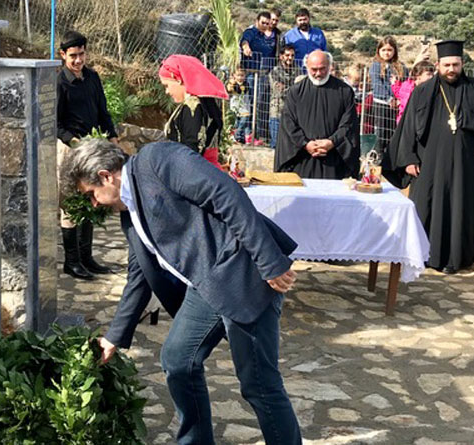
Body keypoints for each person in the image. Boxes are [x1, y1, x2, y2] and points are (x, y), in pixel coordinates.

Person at [62, 138, 302, 445]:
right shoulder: (130, 214)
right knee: (177, 361)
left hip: (244, 273)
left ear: (106, 176)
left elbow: (226, 193)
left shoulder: (158, 159)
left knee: (259, 384)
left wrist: (268, 261)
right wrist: (113, 337)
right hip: (207, 285)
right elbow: (139, 276)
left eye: (91, 194)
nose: (95, 204)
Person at [383, 40, 474, 274]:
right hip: (429, 163)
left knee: (460, 209)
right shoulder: (423, 91)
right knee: (428, 206)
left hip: (465, 164)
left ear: (462, 64)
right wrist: (408, 158)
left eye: (456, 65)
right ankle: (423, 254)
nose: (451, 69)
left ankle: (456, 259)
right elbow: (408, 126)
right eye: (447, 65)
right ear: (438, 65)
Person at [56, 30, 116, 280]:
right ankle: (72, 262)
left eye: (81, 54)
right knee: (71, 204)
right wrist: (74, 141)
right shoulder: (60, 82)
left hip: (93, 149)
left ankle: (87, 257)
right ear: (63, 55)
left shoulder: (92, 77)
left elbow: (103, 111)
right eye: (73, 56)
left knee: (92, 199)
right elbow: (56, 124)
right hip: (70, 149)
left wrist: (112, 138)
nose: (78, 60)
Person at [275, 51, 360, 179]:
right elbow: (288, 123)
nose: (318, 73)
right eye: (314, 69)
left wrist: (331, 142)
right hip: (302, 159)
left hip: (334, 160)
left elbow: (348, 123)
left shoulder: (344, 91)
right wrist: (305, 144)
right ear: (307, 67)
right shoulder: (295, 92)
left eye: (322, 69)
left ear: (329, 66)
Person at [158, 55, 227, 168]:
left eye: (167, 85)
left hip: (197, 172)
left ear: (178, 79)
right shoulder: (208, 103)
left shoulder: (192, 106)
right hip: (209, 170)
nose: (167, 91)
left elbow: (191, 150)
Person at [240, 12, 279, 143]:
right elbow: (245, 41)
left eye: (267, 23)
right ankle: (247, 134)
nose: (265, 25)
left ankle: (258, 135)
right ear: (256, 21)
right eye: (263, 23)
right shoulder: (251, 32)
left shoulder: (270, 37)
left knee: (262, 104)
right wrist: (246, 47)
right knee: (250, 103)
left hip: (266, 74)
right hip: (252, 74)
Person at [369, 36, 408, 151]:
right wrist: (389, 99)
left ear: (395, 51)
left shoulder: (401, 67)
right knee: (381, 132)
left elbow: (405, 84)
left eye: (390, 50)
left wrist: (399, 99)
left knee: (394, 131)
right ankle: (378, 155)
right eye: (384, 50)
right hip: (381, 104)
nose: (387, 53)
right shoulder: (376, 66)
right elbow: (377, 85)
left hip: (397, 105)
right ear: (379, 51)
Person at [269, 44, 298, 149]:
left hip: (293, 112)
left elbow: (300, 89)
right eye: (287, 55)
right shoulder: (275, 72)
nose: (290, 58)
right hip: (277, 109)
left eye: (292, 55)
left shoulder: (297, 70)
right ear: (281, 56)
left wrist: (287, 88)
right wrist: (293, 89)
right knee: (276, 144)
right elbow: (278, 91)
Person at [227, 67, 253, 144]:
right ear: (234, 75)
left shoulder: (246, 84)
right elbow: (228, 90)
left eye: (242, 75)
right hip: (235, 107)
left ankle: (236, 135)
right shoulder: (231, 83)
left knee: (243, 123)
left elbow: (239, 90)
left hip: (244, 108)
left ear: (245, 76)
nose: (240, 77)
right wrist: (230, 84)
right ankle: (240, 138)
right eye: (238, 75)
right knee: (236, 123)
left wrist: (234, 84)